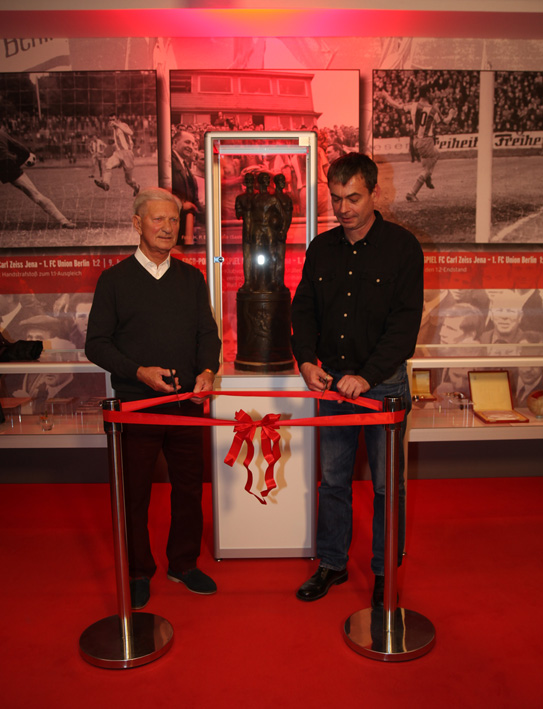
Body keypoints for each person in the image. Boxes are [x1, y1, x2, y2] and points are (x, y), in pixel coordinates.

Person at [291, 152, 424, 606]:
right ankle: (332, 564)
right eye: (336, 198)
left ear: (375, 193)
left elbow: (404, 328)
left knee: (387, 487)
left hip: (382, 388)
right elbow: (303, 310)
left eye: (353, 198)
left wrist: (366, 377)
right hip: (331, 387)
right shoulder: (321, 248)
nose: (343, 208)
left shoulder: (403, 248)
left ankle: (386, 574)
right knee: (333, 481)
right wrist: (305, 361)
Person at [85, 187, 221, 610]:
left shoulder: (191, 278)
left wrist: (207, 371)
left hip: (186, 405)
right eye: (158, 219)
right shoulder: (114, 281)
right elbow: (96, 344)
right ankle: (139, 571)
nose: (167, 227)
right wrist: (138, 372)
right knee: (134, 494)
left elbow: (207, 335)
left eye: (174, 220)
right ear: (137, 223)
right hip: (136, 406)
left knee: (189, 490)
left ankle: (183, 563)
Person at [379, 84, 457, 202]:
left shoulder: (413, 105)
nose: (433, 94)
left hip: (416, 140)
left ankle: (427, 178)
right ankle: (412, 192)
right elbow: (445, 122)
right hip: (426, 140)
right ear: (427, 93)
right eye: (432, 92)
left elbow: (397, 106)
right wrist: (451, 113)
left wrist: (386, 96)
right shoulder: (433, 109)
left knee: (436, 154)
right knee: (427, 168)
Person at [0, 128, 75, 229]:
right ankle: (63, 220)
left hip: (6, 163)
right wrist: (15, 164)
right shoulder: (2, 134)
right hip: (7, 163)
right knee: (36, 195)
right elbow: (25, 152)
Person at [94, 113, 140, 196]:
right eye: (110, 120)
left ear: (118, 120)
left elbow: (131, 132)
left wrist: (117, 125)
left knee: (128, 180)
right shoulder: (114, 130)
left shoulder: (122, 125)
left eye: (113, 120)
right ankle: (106, 184)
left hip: (127, 154)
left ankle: (136, 187)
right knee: (108, 164)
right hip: (118, 153)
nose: (111, 122)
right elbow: (118, 142)